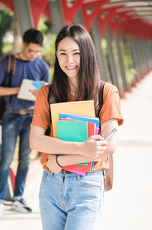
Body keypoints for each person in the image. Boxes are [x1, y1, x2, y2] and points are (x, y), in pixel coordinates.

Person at [30, 24, 123, 230]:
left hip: (87, 185)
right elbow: (36, 140)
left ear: (87, 55)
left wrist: (62, 160)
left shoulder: (106, 92)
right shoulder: (46, 93)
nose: (69, 60)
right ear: (56, 55)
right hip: (51, 184)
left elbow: (109, 145)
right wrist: (82, 149)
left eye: (76, 53)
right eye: (63, 53)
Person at [0, 28, 50, 217]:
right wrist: (18, 89)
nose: (34, 55)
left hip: (32, 117)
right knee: (6, 160)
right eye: (31, 51)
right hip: (11, 115)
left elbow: (47, 94)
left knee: (25, 159)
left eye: (37, 52)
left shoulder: (41, 66)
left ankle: (18, 198)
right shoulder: (8, 63)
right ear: (23, 45)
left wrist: (38, 94)